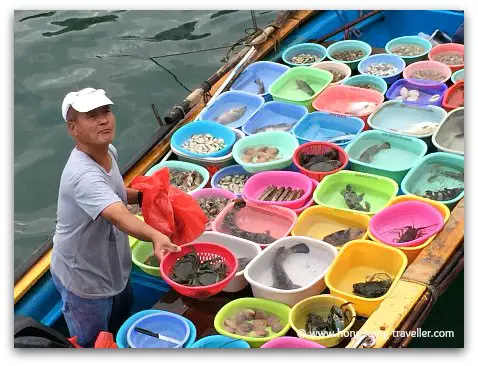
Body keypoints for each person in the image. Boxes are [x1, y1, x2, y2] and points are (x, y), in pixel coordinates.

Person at [51, 87, 181, 348]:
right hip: (84, 281)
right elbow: (118, 215)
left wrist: (148, 198)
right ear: (73, 128)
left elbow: (116, 192)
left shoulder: (107, 151)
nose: (103, 119)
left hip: (114, 268)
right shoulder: (82, 175)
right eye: (91, 116)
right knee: (92, 342)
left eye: (106, 111)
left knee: (121, 320)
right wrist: (155, 235)